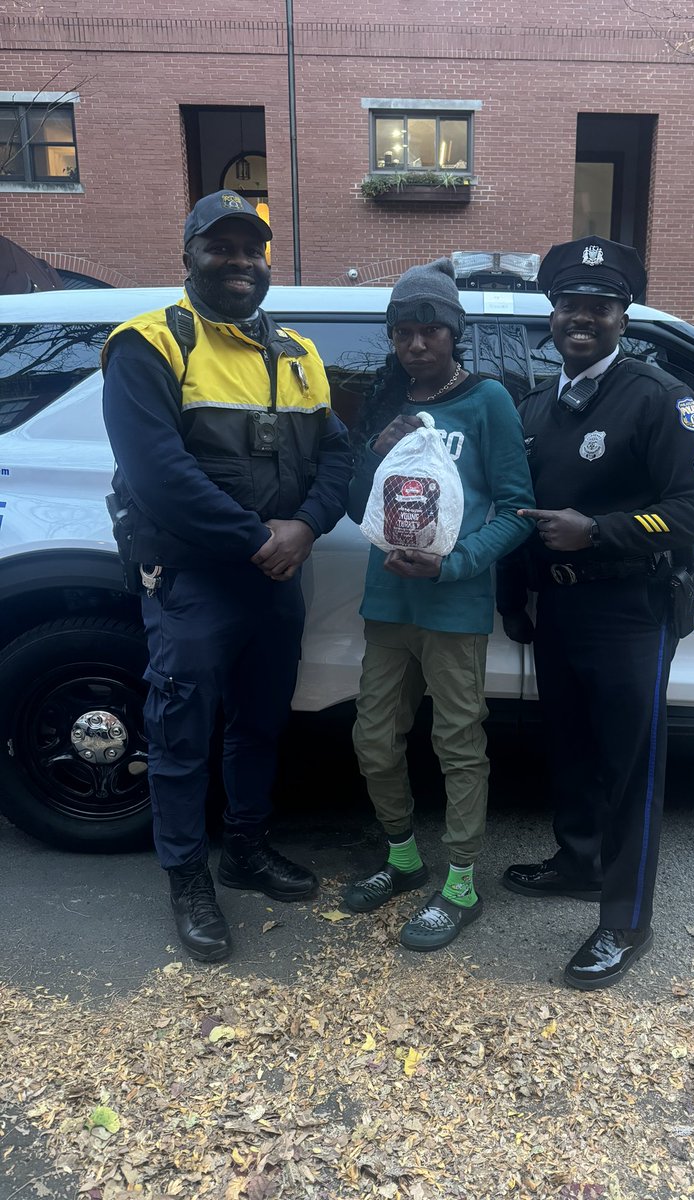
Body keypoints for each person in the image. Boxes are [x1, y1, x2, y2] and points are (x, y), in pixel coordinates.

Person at [101, 190, 353, 963]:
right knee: (180, 733)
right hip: (195, 580)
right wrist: (257, 539)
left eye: (251, 249)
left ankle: (244, 848)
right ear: (190, 256)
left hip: (277, 576)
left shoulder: (300, 353)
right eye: (222, 247)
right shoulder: (148, 345)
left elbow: (339, 455)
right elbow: (158, 473)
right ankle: (187, 878)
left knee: (259, 722)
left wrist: (306, 526)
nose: (239, 261)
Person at [496, 236, 694, 989]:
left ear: (622, 316)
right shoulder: (536, 408)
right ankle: (579, 862)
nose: (582, 318)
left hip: (631, 604)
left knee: (629, 766)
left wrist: (600, 531)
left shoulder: (656, 399)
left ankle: (626, 920)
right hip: (558, 604)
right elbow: (516, 510)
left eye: (599, 306)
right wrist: (514, 594)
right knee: (570, 748)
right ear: (553, 313)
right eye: (570, 305)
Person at [342, 258, 534, 951]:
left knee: (456, 742)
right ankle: (401, 859)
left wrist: (454, 563)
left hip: (453, 604)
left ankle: (459, 883)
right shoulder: (386, 401)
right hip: (388, 601)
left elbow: (516, 510)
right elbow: (354, 501)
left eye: (430, 331)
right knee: (373, 737)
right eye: (403, 333)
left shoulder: (487, 403)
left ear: (454, 333)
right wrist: (375, 453)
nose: (417, 345)